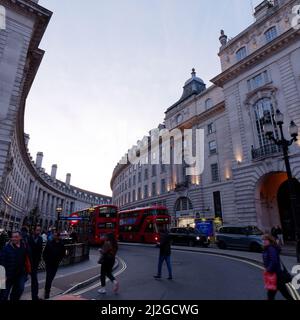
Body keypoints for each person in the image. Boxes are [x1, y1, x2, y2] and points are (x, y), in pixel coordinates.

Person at [262, 234, 293, 300]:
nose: (264, 241)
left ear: (270, 241)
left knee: (272, 295)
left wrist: (268, 269)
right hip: (275, 275)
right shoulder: (267, 248)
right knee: (281, 294)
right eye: (263, 240)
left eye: (265, 240)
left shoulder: (271, 248)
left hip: (276, 275)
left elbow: (274, 261)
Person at [0, 231, 29, 301]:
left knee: (19, 290)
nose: (14, 239)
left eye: (16, 237)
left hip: (20, 275)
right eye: (12, 237)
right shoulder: (6, 248)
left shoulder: (24, 246)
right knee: (4, 295)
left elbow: (27, 260)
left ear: (20, 237)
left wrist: (26, 272)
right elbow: (1, 262)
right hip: (8, 276)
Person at [43, 231, 65, 299]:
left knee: (51, 277)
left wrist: (59, 260)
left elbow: (63, 253)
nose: (54, 236)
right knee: (48, 277)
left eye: (56, 235)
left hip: (55, 264)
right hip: (49, 263)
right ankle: (47, 292)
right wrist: (46, 260)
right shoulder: (49, 243)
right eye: (54, 235)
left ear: (58, 237)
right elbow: (44, 253)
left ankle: (47, 288)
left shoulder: (61, 244)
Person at [28, 225, 43, 300]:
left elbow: (40, 251)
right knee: (20, 280)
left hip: (35, 262)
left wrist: (39, 259)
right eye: (37, 230)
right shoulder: (29, 238)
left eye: (39, 230)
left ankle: (35, 296)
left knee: (34, 281)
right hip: (27, 262)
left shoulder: (40, 239)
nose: (38, 232)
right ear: (34, 230)